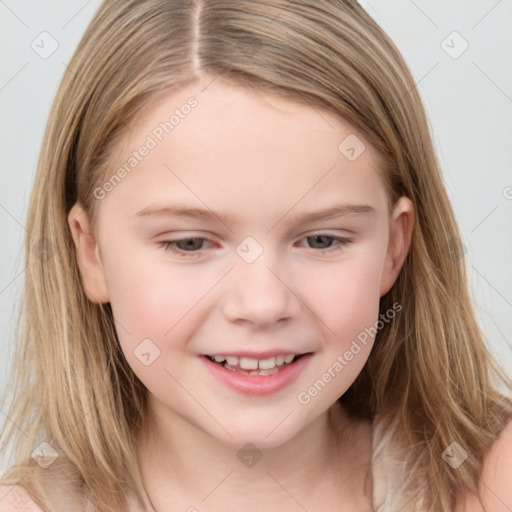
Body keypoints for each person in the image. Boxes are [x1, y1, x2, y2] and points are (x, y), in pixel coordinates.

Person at [1, 1, 511, 511]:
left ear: (393, 248)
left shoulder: (491, 483)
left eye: (321, 240)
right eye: (189, 243)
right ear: (90, 255)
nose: (263, 304)